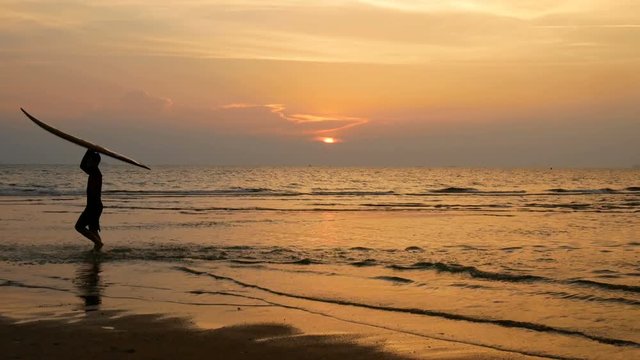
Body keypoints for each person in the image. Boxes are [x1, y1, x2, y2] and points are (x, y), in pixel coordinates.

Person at [75, 149, 103, 250]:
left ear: (94, 162)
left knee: (79, 227)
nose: (88, 162)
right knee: (93, 230)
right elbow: (83, 165)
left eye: (90, 160)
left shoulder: (95, 172)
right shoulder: (95, 172)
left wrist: (88, 150)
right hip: (96, 206)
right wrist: (89, 151)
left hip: (93, 206)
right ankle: (97, 249)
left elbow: (82, 165)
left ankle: (98, 244)